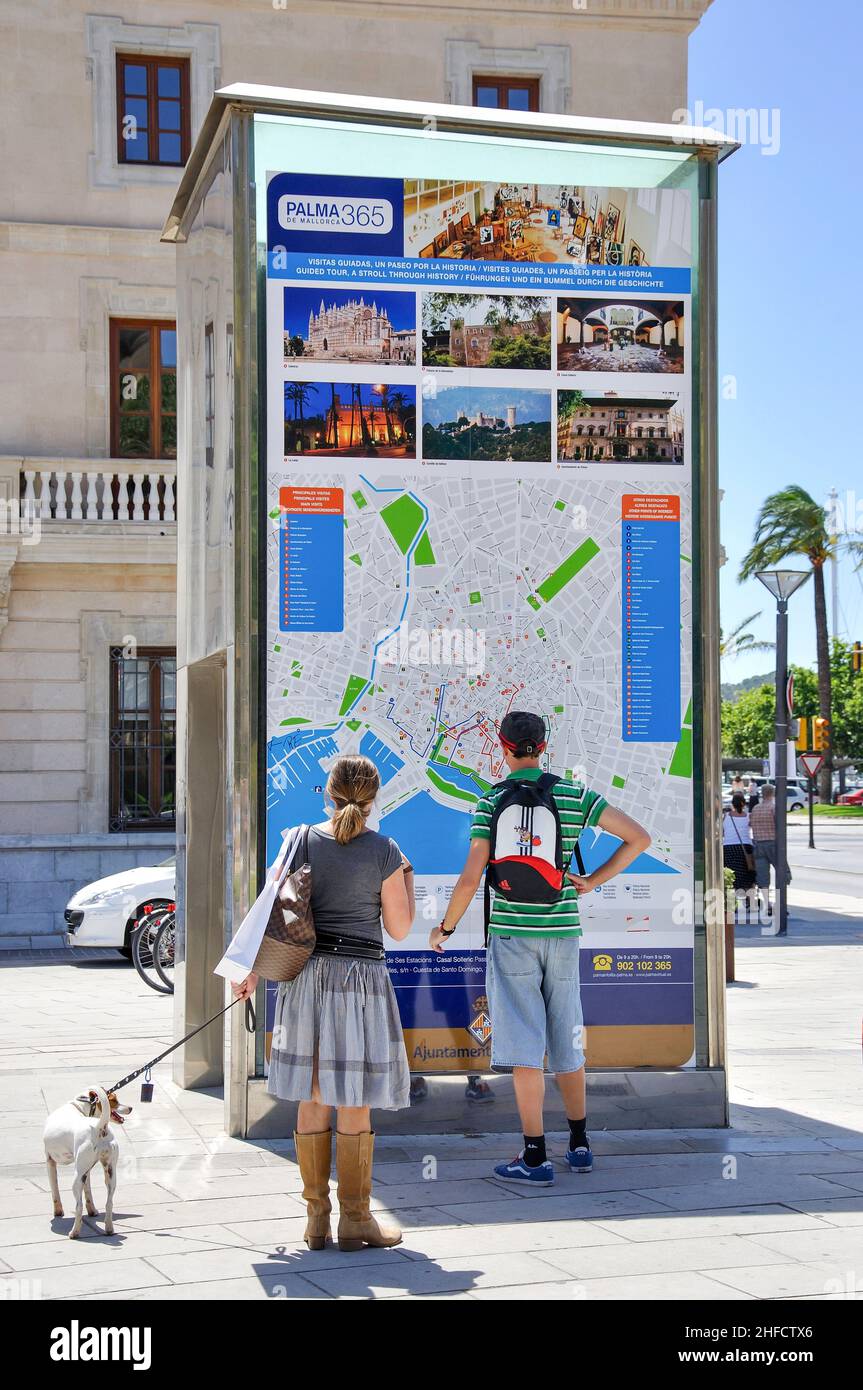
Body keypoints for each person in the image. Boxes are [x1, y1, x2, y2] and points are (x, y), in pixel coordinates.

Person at [429, 710, 650, 1186]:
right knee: (567, 1037)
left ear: (503, 747)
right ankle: (580, 1144)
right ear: (542, 746)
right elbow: (639, 838)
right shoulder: (573, 795)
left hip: (511, 936)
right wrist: (590, 881)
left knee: (524, 1045)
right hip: (563, 932)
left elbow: (472, 876)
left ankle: (534, 1157)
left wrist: (444, 929)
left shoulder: (491, 801)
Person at [231, 754, 413, 1252]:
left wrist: (249, 973)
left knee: (313, 1100)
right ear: (373, 801)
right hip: (360, 982)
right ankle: (357, 1221)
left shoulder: (301, 840)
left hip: (306, 979)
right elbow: (399, 928)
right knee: (354, 1101)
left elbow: (270, 909)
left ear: (328, 795)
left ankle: (316, 1222)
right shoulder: (385, 851)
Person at [749, 783, 791, 913]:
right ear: (772, 793)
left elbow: (750, 824)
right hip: (773, 844)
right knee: (783, 872)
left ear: (762, 793)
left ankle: (767, 904)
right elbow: (780, 826)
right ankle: (781, 904)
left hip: (758, 845)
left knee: (763, 877)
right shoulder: (774, 808)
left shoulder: (755, 808)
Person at [723, 791, 756, 893]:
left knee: (731, 876)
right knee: (747, 875)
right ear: (744, 803)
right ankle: (748, 901)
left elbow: (722, 832)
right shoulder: (748, 816)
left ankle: (732, 902)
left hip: (728, 848)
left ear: (732, 804)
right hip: (745, 848)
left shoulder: (726, 816)